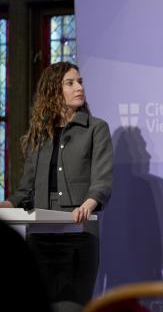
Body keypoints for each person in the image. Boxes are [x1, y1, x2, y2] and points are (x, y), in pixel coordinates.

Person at [0, 61, 113, 311]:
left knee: (73, 306)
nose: (79, 88)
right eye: (70, 83)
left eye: (80, 82)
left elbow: (102, 181)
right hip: (40, 238)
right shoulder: (40, 134)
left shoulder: (96, 129)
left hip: (79, 233)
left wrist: (88, 204)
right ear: (53, 90)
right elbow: (25, 190)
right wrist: (7, 205)